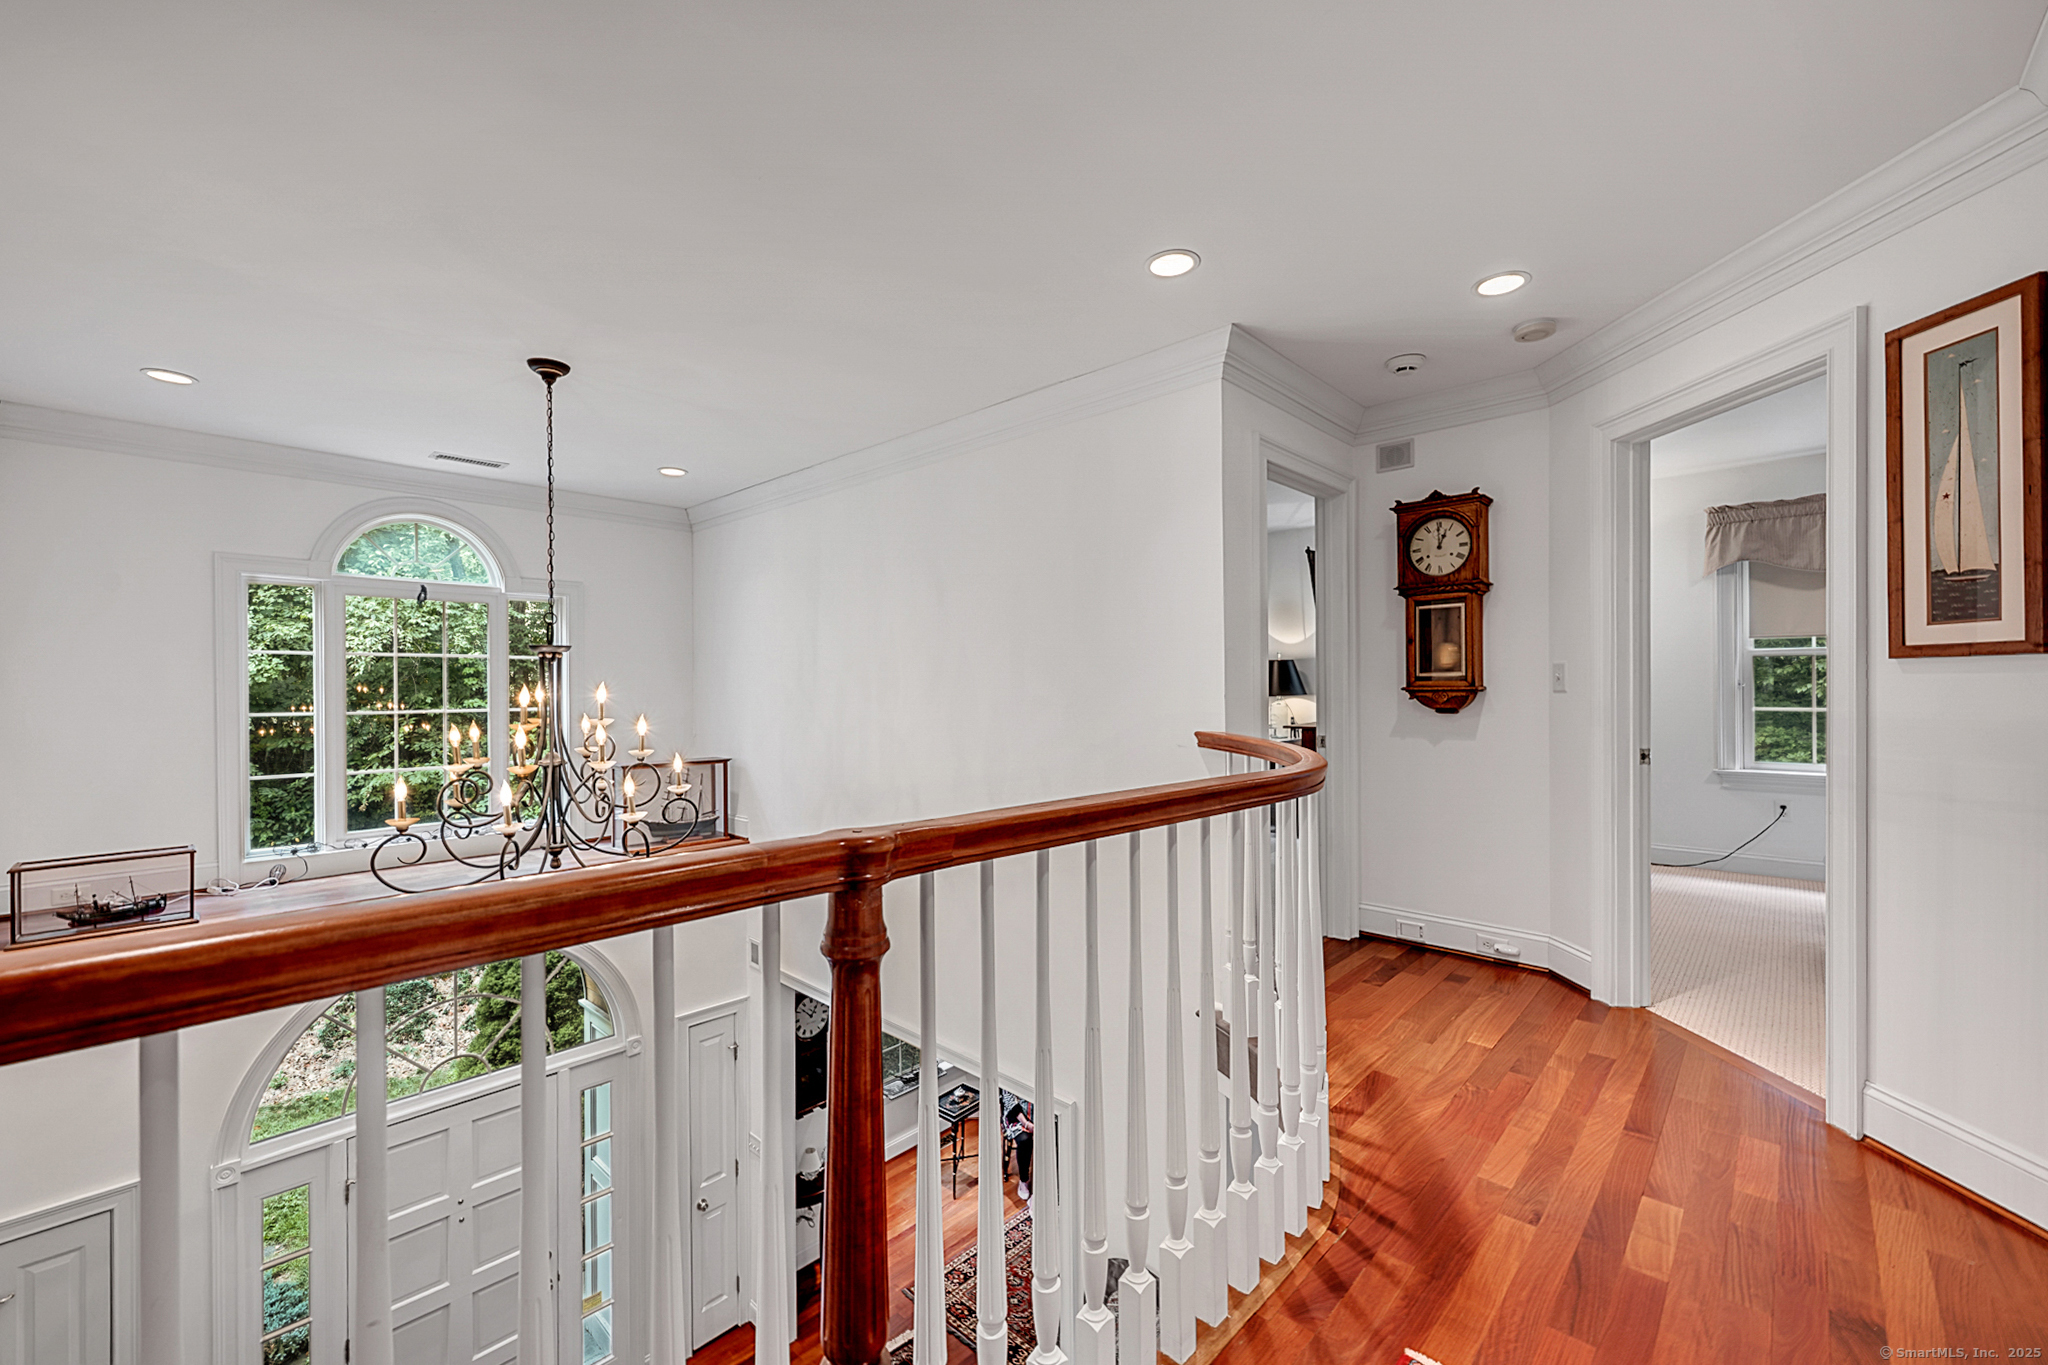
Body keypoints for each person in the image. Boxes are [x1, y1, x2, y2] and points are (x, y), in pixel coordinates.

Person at [1002, 1094, 1033, 1201]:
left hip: (1040, 1112)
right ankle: (1024, 1179)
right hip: (1017, 1116)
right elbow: (1010, 1101)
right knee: (1025, 1140)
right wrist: (1026, 1124)